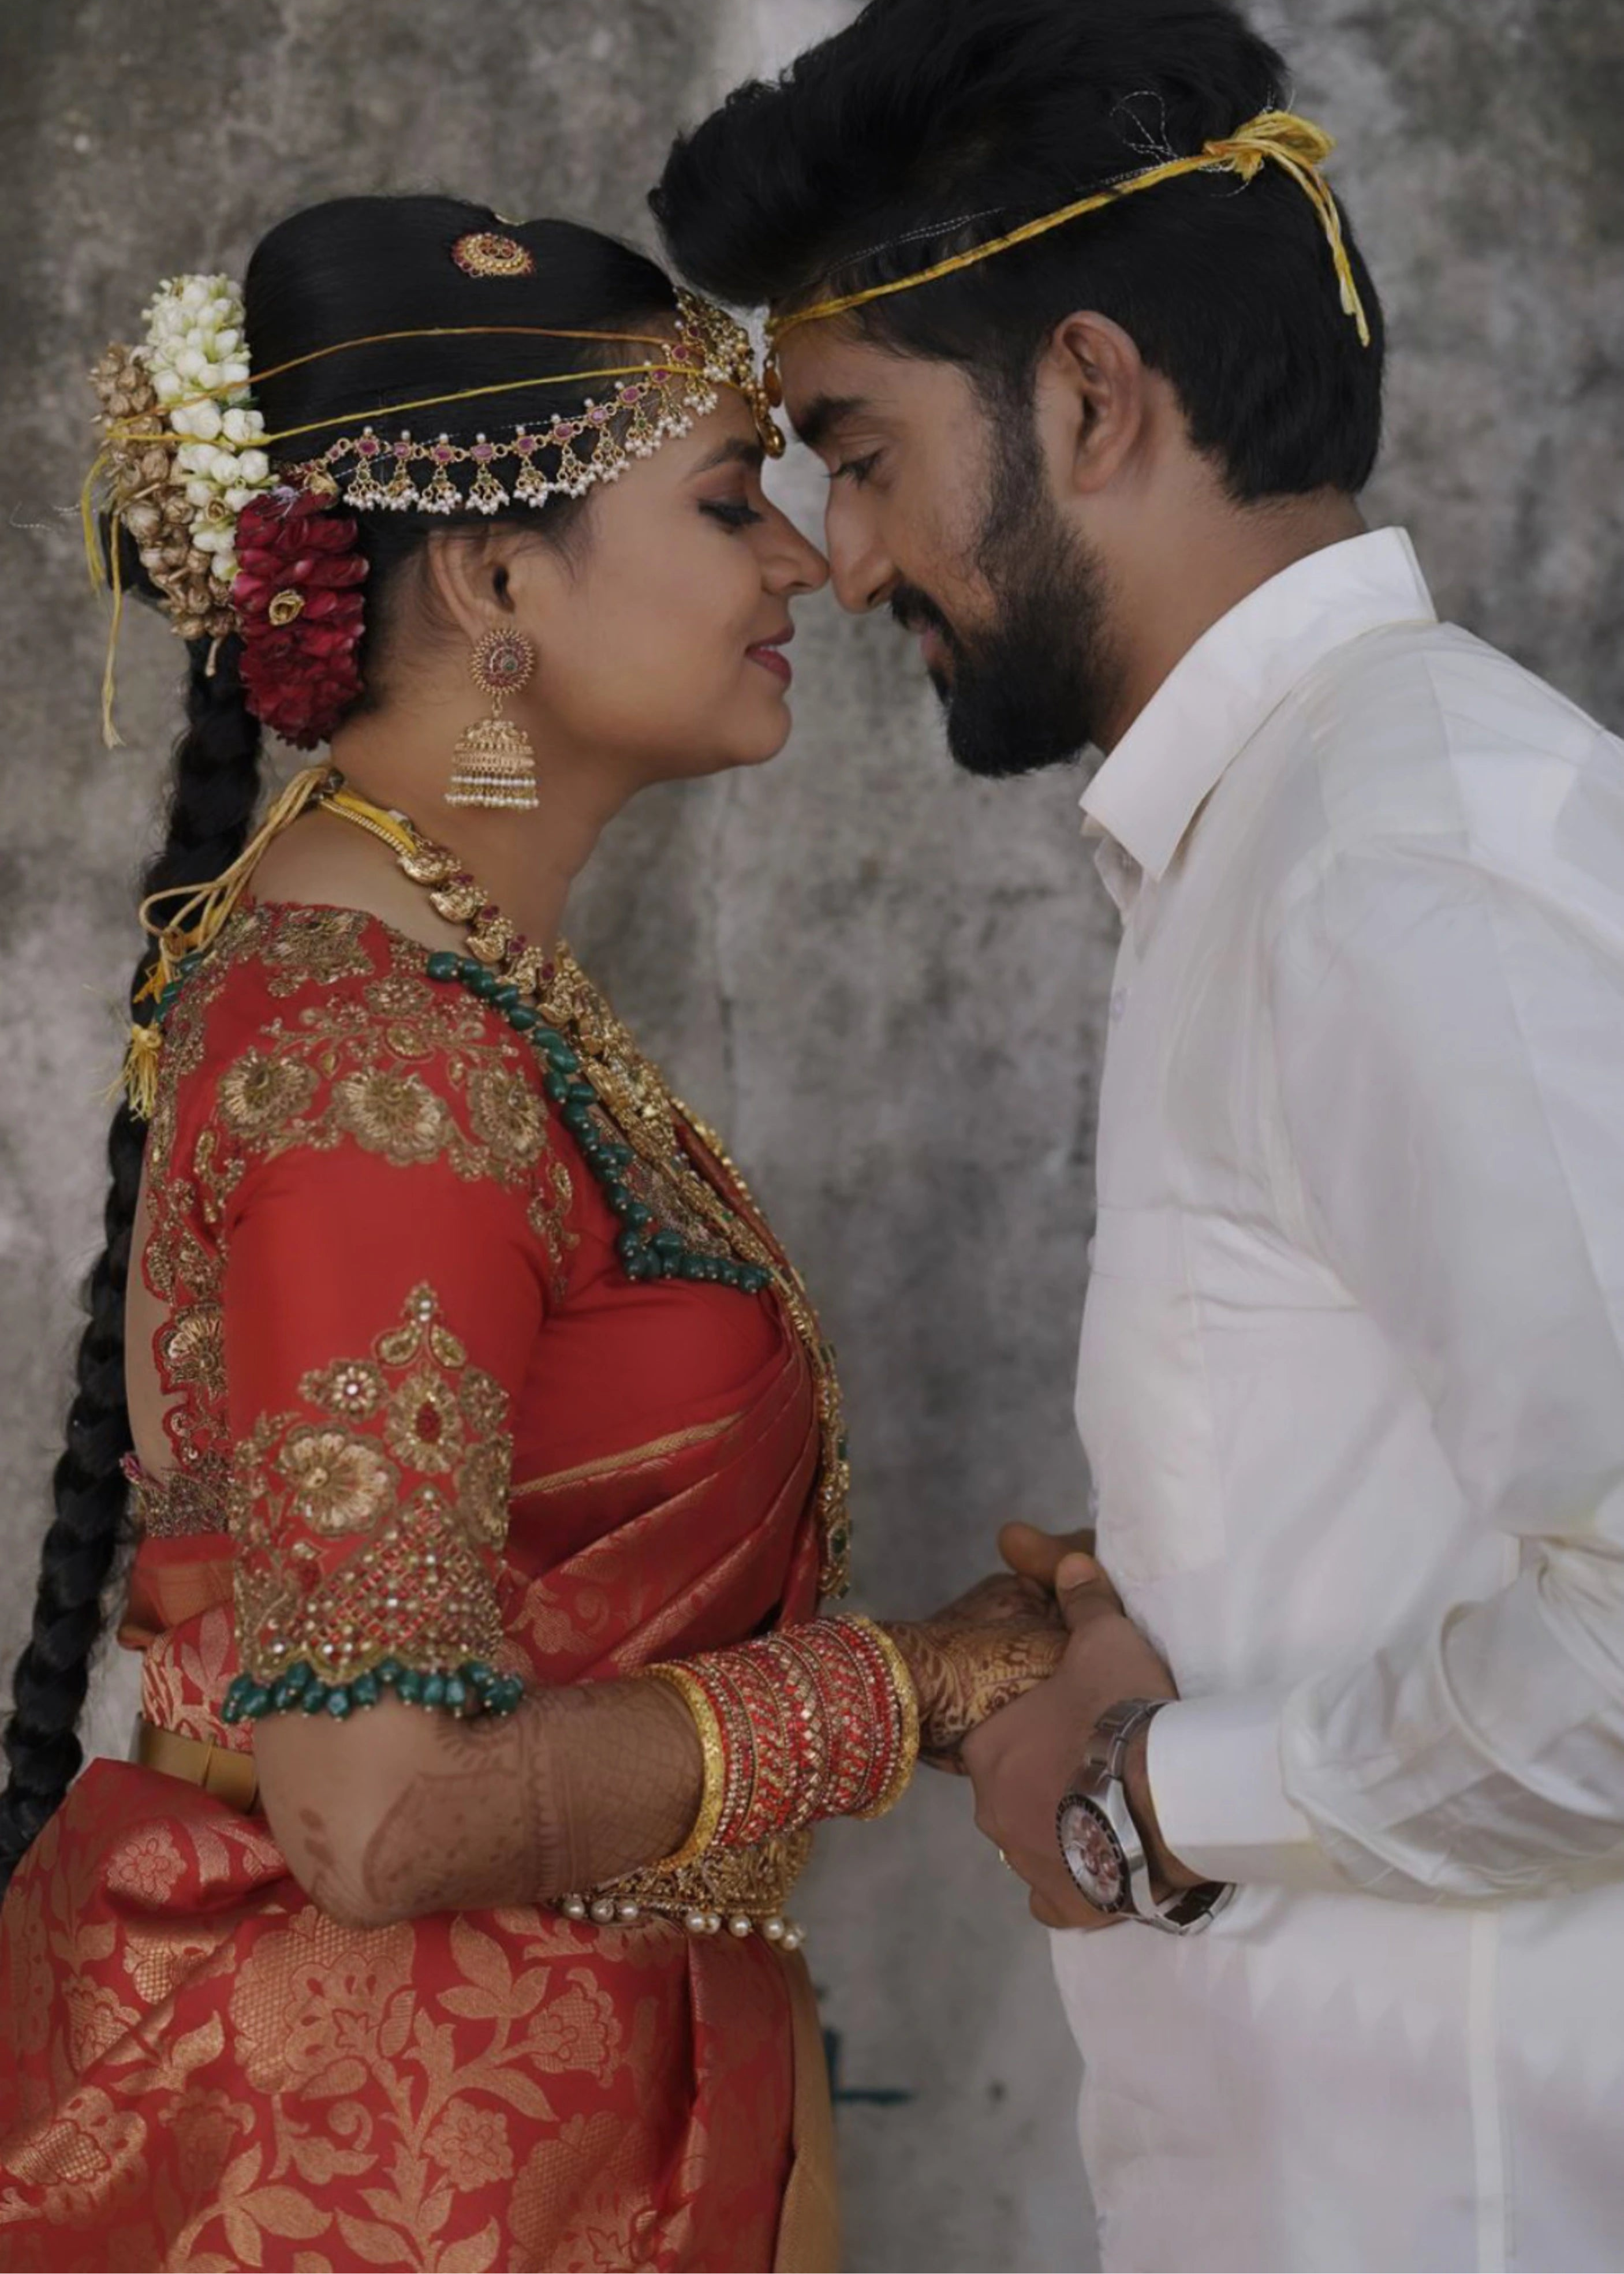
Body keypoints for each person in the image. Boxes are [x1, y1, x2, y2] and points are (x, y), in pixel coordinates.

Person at [0, 195, 1066, 2274]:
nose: (799, 560)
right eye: (727, 496)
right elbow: (376, 1816)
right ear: (497, 578)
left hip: (495, 2120)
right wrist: (914, 1688)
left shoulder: (446, 991)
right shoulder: (377, 1072)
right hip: (359, 2165)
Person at [653, 2, 1624, 2267]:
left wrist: (1143, 1808)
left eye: (857, 450)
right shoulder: (1286, 841)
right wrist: (1182, 1584)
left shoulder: (1399, 869)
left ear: (1089, 397)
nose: (845, 558)